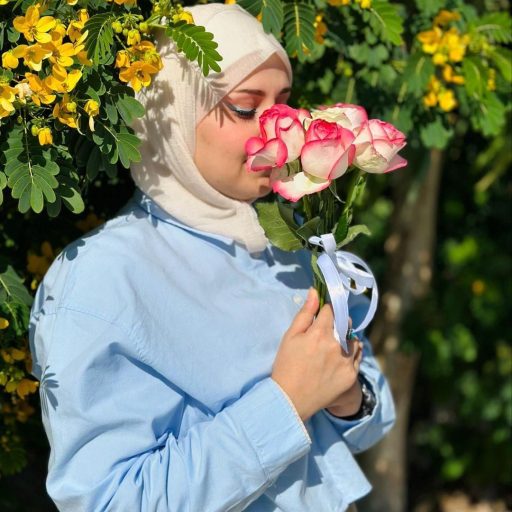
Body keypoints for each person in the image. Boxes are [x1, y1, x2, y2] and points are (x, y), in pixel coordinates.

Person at [28, 4, 395, 511]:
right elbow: (108, 500)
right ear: (173, 115)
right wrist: (286, 403)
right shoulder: (101, 277)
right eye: (245, 108)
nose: (278, 128)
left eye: (284, 104)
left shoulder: (290, 236)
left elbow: (372, 417)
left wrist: (347, 396)